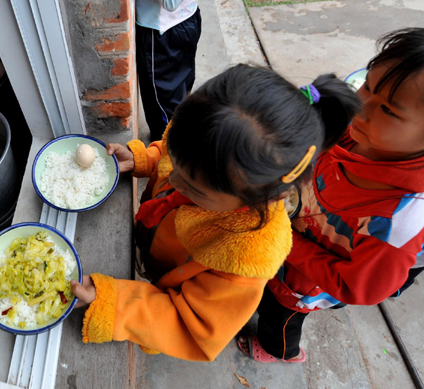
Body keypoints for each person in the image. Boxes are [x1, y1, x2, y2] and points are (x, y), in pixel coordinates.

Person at [70, 64, 360, 361]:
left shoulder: (245, 256)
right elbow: (172, 154)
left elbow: (189, 324)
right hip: (154, 235)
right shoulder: (205, 146)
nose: (175, 182)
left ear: (261, 197)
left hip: (163, 288)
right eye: (179, 167)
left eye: (195, 189)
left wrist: (115, 303)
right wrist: (143, 157)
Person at [238, 28, 424, 363]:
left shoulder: (397, 224)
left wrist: (284, 242)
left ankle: (280, 352)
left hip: (302, 283)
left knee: (279, 318)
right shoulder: (354, 133)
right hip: (286, 241)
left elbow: (359, 288)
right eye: (368, 85)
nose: (363, 106)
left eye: (389, 110)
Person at [136, 0, 201, 142]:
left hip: (163, 32)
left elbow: (170, 3)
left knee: (164, 108)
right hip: (187, 18)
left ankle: (169, 155)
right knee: (180, 92)